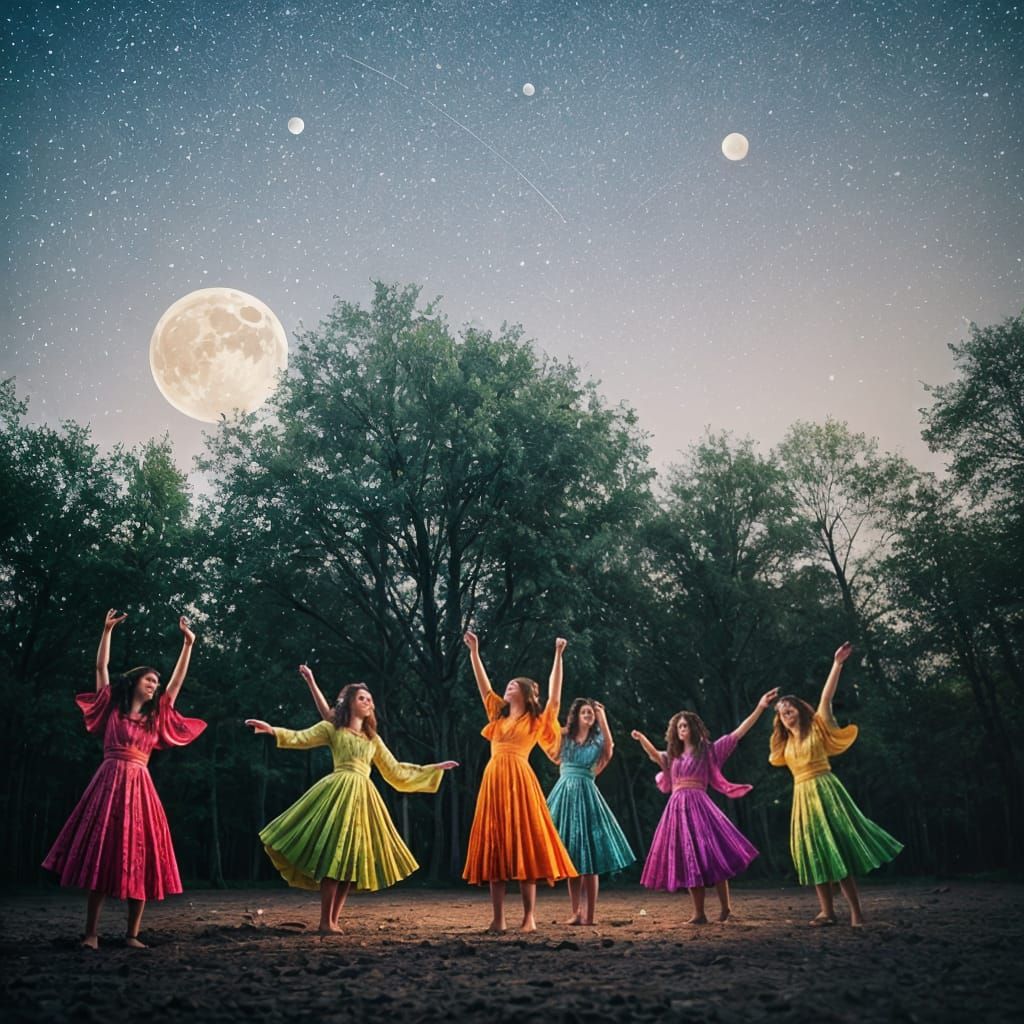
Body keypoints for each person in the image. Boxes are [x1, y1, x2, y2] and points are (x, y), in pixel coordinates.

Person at [246, 669, 457, 935]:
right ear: (349, 703)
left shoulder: (373, 740)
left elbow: (396, 771)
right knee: (334, 858)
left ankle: (334, 921)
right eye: (361, 698)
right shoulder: (333, 729)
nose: (368, 702)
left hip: (363, 799)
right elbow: (301, 737)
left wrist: (432, 769)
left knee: (348, 864)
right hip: (338, 792)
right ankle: (324, 921)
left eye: (369, 699)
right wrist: (272, 730)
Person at [42, 609, 205, 949]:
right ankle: (91, 933)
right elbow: (101, 669)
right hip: (110, 781)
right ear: (134, 682)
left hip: (140, 785)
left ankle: (132, 934)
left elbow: (176, 683)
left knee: (141, 853)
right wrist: (106, 632)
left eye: (156, 683)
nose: (155, 685)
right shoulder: (112, 708)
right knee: (102, 853)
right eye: (149, 680)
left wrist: (188, 644)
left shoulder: (156, 714)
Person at [770, 641, 902, 927]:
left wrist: (837, 664)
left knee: (837, 847)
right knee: (815, 850)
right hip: (803, 797)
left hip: (826, 790)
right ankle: (826, 911)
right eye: (781, 712)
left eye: (789, 709)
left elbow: (826, 697)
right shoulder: (784, 744)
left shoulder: (817, 723)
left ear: (800, 711)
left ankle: (856, 913)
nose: (785, 713)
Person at [462, 630, 577, 933]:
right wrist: (474, 652)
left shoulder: (537, 719)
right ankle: (498, 919)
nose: (507, 686)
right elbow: (483, 686)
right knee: (495, 846)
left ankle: (529, 917)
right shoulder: (497, 716)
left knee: (526, 843)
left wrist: (557, 656)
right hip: (494, 779)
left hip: (520, 779)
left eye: (513, 684)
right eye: (508, 684)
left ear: (525, 694)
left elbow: (555, 696)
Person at [630, 688, 777, 924]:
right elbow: (654, 755)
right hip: (677, 810)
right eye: (678, 727)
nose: (682, 729)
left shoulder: (709, 751)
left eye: (685, 726)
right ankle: (698, 913)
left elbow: (737, 734)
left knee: (713, 855)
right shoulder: (672, 756)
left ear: (695, 729)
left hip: (700, 807)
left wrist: (760, 707)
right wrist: (641, 739)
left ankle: (725, 908)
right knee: (688, 858)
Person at [545, 698, 635, 925]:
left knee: (589, 861)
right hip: (564, 794)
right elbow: (549, 734)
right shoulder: (565, 738)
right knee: (570, 858)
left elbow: (609, 747)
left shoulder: (597, 742)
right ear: (576, 716)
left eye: (590, 713)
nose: (588, 715)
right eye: (584, 712)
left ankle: (590, 915)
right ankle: (576, 912)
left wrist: (601, 714)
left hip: (586, 794)